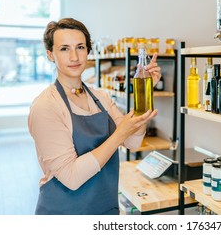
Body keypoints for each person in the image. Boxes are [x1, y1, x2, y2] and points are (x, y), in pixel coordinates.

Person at [28, 18, 160, 215]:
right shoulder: (46, 106)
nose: (74, 56)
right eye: (64, 49)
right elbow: (71, 177)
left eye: (80, 47)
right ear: (50, 55)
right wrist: (118, 136)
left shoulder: (101, 98)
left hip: (103, 208)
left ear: (88, 51)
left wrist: (145, 94)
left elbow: (132, 141)